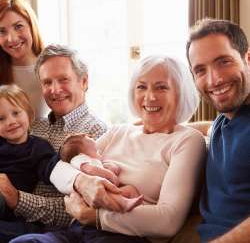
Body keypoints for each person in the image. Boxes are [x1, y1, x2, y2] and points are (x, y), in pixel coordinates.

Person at [12, 55, 206, 243]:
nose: (150, 96)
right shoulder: (119, 131)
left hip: (122, 236)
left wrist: (96, 216)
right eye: (141, 87)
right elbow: (59, 169)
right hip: (76, 230)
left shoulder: (187, 140)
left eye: (162, 87)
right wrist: (81, 181)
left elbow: (167, 221)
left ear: (181, 93)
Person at [0, 44, 115, 242]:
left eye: (64, 79)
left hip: (51, 232)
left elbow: (76, 212)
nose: (55, 90)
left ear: (84, 81)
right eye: (47, 82)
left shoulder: (96, 134)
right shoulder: (32, 128)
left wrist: (17, 199)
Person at [185, 18, 250, 242]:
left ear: (247, 59)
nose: (214, 79)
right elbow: (209, 127)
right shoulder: (227, 118)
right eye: (200, 70)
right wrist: (157, 125)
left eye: (223, 62)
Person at [0, 84, 58, 220]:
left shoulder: (38, 147)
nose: (11, 122)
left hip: (8, 205)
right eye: (1, 119)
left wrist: (66, 154)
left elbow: (50, 170)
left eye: (16, 113)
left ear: (28, 114)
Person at [60, 134, 144, 212]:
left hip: (101, 191)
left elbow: (99, 168)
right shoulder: (78, 159)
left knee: (130, 189)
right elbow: (90, 170)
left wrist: (110, 167)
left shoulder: (90, 161)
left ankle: (140, 210)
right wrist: (111, 176)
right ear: (82, 154)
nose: (99, 153)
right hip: (94, 192)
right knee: (126, 191)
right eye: (96, 151)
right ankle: (125, 203)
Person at [0, 0, 49, 118]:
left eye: (18, 26)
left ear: (31, 25)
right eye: (2, 31)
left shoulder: (51, 65)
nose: (12, 39)